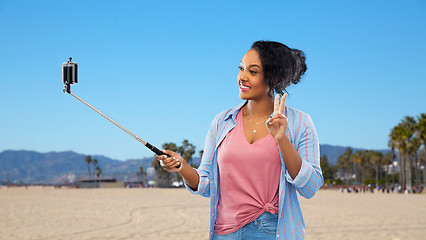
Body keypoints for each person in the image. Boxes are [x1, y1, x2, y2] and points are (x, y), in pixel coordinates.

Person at [156, 40, 323, 240]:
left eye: (253, 72)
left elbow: (310, 187)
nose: (242, 77)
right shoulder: (221, 122)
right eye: (241, 68)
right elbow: (209, 185)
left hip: (271, 231)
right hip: (223, 232)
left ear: (274, 77)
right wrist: (182, 167)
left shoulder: (300, 123)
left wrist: (282, 140)